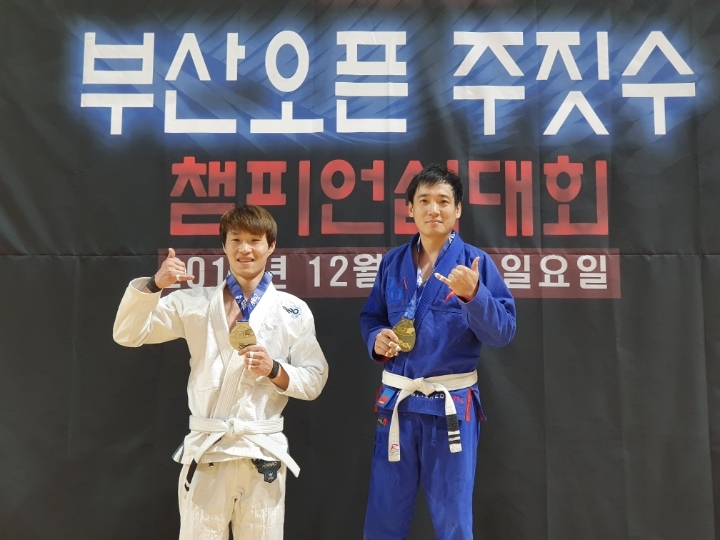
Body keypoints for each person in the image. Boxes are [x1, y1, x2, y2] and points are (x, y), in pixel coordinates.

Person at [113, 204, 328, 540]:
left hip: (261, 453)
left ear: (271, 246)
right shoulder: (194, 303)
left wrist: (274, 369)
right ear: (224, 246)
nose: (245, 249)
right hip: (209, 450)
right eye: (236, 240)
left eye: (255, 240)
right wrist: (155, 285)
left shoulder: (292, 310)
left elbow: (314, 379)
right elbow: (128, 334)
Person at [359, 164, 516, 540]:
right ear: (410, 208)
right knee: (383, 516)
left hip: (450, 407)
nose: (434, 209)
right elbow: (372, 316)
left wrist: (474, 295)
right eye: (424, 200)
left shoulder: (475, 263)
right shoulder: (393, 262)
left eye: (444, 201)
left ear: (458, 209)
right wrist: (377, 338)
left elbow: (503, 332)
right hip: (397, 404)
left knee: (453, 519)